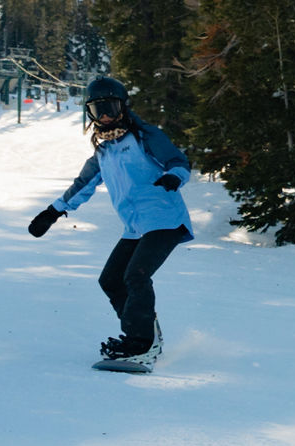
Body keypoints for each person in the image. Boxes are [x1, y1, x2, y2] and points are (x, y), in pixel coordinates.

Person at [27, 76, 198, 372]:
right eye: (97, 110)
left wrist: (174, 176)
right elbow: (83, 184)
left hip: (165, 220)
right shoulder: (104, 151)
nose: (104, 115)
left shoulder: (144, 136)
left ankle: (141, 343)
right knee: (110, 280)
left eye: (110, 107)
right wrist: (53, 211)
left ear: (122, 107)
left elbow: (177, 161)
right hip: (135, 228)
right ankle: (143, 333)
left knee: (136, 276)